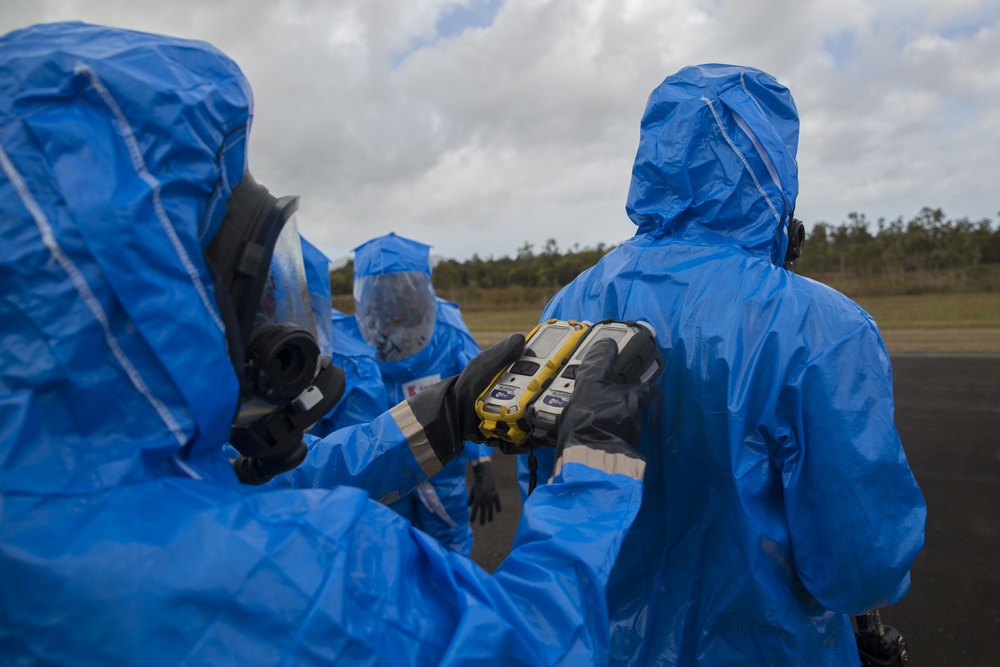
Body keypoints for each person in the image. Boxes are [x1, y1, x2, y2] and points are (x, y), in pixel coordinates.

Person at [0, 22, 655, 665]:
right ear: (155, 295)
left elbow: (247, 496)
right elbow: (531, 639)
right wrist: (598, 464)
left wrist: (447, 414)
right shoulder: (303, 576)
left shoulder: (69, 502)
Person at [517, 64, 927, 664]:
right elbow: (860, 562)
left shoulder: (571, 302)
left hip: (602, 641)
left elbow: (544, 480)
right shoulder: (822, 327)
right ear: (773, 171)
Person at [324, 232, 502, 551]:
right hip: (381, 459)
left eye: (402, 288)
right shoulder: (348, 341)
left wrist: (482, 462)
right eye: (382, 290)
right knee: (388, 545)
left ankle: (453, 600)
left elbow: (478, 392)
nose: (394, 300)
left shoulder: (448, 333)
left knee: (448, 541)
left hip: (439, 458)